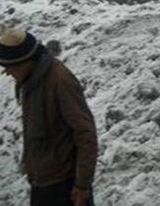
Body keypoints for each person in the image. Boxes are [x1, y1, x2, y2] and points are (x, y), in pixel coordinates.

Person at [0, 29, 97, 206]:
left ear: (25, 61)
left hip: (64, 187)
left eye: (10, 67)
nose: (8, 73)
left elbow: (86, 133)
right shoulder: (31, 80)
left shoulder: (60, 81)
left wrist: (82, 185)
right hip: (42, 183)